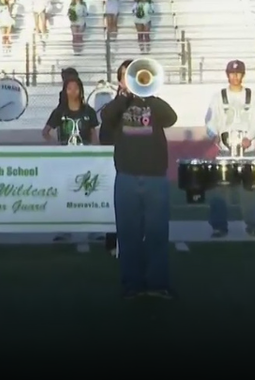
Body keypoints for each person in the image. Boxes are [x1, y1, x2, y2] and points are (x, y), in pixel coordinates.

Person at [101, 59, 178, 299]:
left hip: (155, 176)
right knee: (129, 234)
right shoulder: (117, 106)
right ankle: (132, 284)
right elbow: (106, 126)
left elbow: (171, 117)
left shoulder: (152, 103)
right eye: (126, 76)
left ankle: (157, 284)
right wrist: (124, 97)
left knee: (157, 233)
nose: (132, 80)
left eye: (133, 75)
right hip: (126, 176)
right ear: (120, 80)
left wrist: (149, 94)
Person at [204, 60, 255, 238]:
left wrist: (249, 137)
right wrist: (212, 133)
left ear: (243, 75)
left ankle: (253, 224)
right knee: (220, 188)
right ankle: (219, 225)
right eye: (232, 73)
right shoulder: (218, 96)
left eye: (238, 73)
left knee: (250, 189)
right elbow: (210, 119)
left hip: (247, 150)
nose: (235, 76)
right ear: (227, 74)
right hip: (225, 150)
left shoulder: (252, 96)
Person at [43, 72, 101, 243]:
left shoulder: (88, 111)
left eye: (76, 88)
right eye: (69, 88)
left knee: (88, 192)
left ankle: (94, 229)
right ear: (65, 91)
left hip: (85, 156)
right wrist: (57, 146)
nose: (73, 91)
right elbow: (45, 132)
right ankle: (64, 229)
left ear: (81, 91)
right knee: (65, 192)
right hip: (65, 158)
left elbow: (93, 133)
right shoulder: (59, 111)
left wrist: (96, 152)